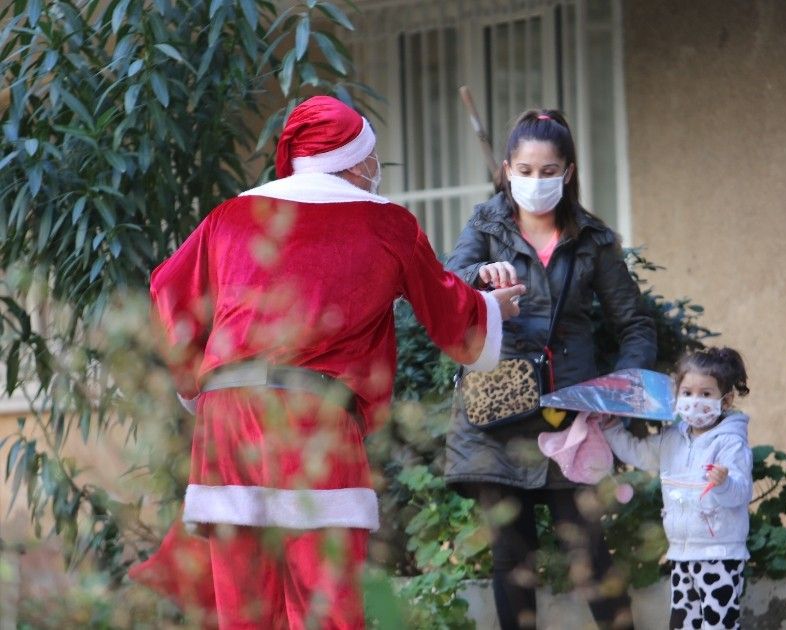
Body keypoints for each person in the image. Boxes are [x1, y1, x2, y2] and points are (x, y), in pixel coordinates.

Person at [145, 95, 526, 629]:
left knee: (245, 608)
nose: (377, 168)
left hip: (227, 417)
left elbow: (168, 288)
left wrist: (195, 384)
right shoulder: (384, 222)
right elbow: (446, 311)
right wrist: (491, 308)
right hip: (314, 416)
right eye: (373, 156)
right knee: (325, 607)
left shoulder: (229, 215)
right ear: (356, 162)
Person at [444, 109, 656, 629]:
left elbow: (636, 325)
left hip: (571, 419)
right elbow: (444, 287)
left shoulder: (593, 239)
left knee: (589, 553)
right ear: (507, 170)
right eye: (524, 170)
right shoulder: (485, 224)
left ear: (568, 172)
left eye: (548, 171)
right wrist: (480, 276)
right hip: (495, 415)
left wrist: (620, 390)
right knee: (511, 560)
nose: (535, 181)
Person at [602, 346, 753, 630]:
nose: (695, 401)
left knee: (719, 624)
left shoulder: (730, 442)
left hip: (719, 554)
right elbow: (638, 453)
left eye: (705, 394)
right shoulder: (671, 439)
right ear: (677, 395)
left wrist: (724, 483)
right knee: (682, 624)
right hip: (682, 553)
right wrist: (611, 429)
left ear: (726, 400)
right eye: (687, 392)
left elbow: (741, 493)